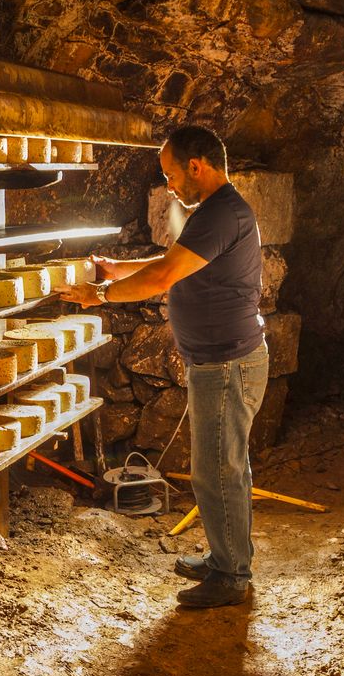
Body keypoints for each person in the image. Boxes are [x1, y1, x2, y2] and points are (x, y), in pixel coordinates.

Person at [60, 125, 269, 608]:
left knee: (219, 471)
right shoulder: (216, 212)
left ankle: (232, 575)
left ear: (197, 167)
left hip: (227, 363)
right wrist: (119, 268)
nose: (170, 186)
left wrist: (102, 294)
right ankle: (224, 558)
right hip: (219, 361)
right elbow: (175, 260)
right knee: (218, 467)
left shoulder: (222, 213)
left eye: (172, 176)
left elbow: (166, 275)